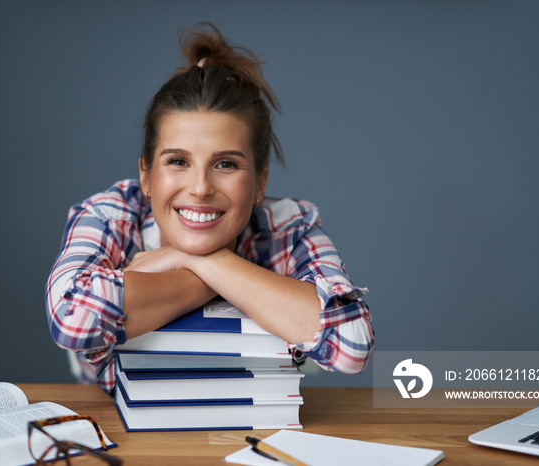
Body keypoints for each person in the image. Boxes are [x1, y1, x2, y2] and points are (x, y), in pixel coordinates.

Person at [45, 23, 374, 394]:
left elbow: (351, 346)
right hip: (125, 428)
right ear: (146, 176)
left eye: (226, 164)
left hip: (250, 423)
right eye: (178, 162)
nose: (200, 188)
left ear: (260, 184)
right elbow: (73, 318)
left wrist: (202, 261)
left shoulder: (289, 226)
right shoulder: (111, 215)